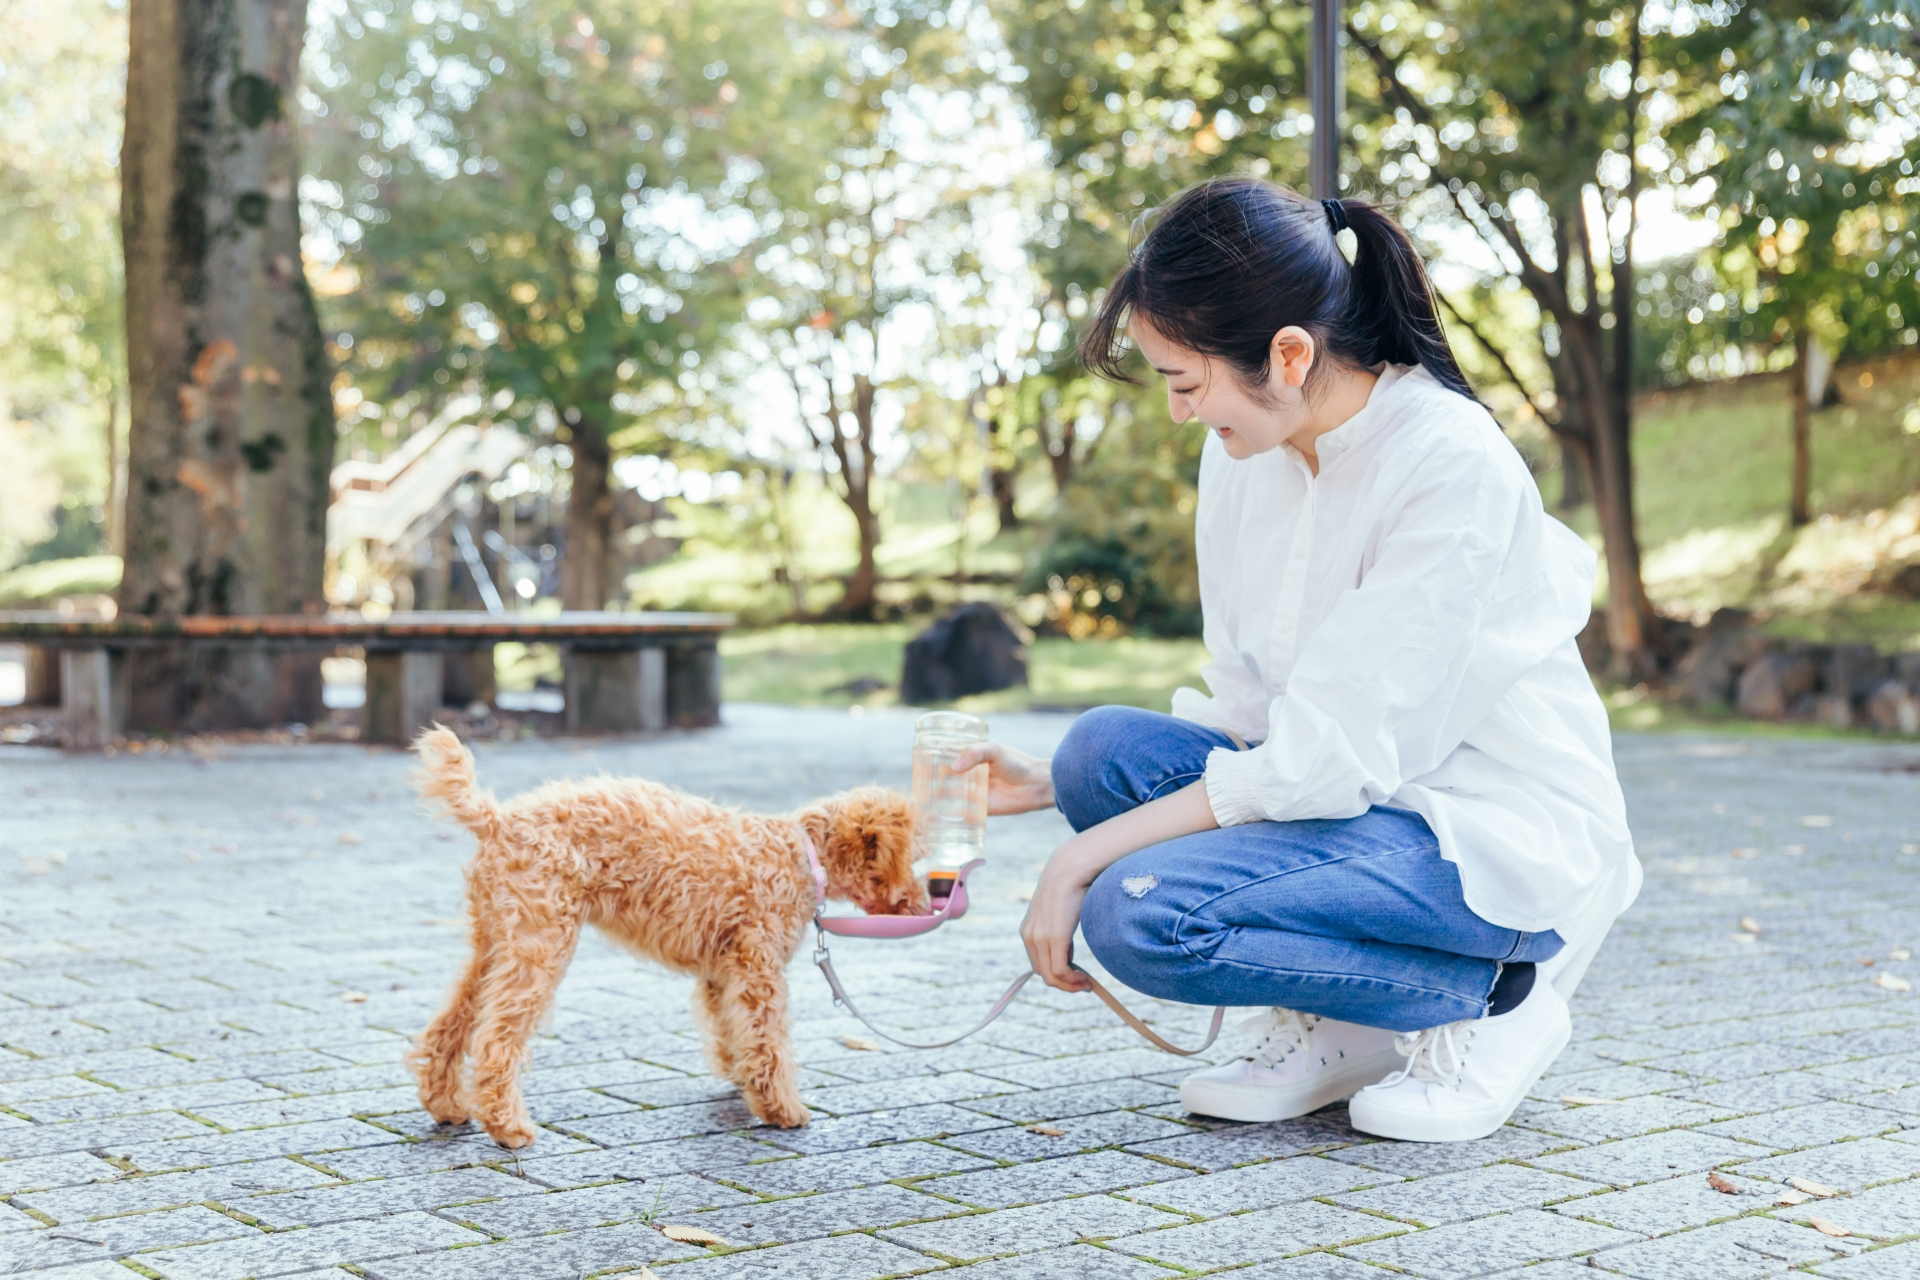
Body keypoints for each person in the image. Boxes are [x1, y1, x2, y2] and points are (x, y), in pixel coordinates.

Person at [958, 178, 1637, 1143]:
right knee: (1094, 754)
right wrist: (1047, 793)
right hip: (1357, 815)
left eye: (1186, 384)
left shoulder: (1450, 463)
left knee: (1138, 915)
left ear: (1287, 354)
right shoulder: (1246, 458)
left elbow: (1322, 759)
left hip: (1484, 843)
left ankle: (1496, 998)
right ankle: (1350, 1023)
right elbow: (1254, 715)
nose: (1182, 415)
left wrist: (1081, 858)